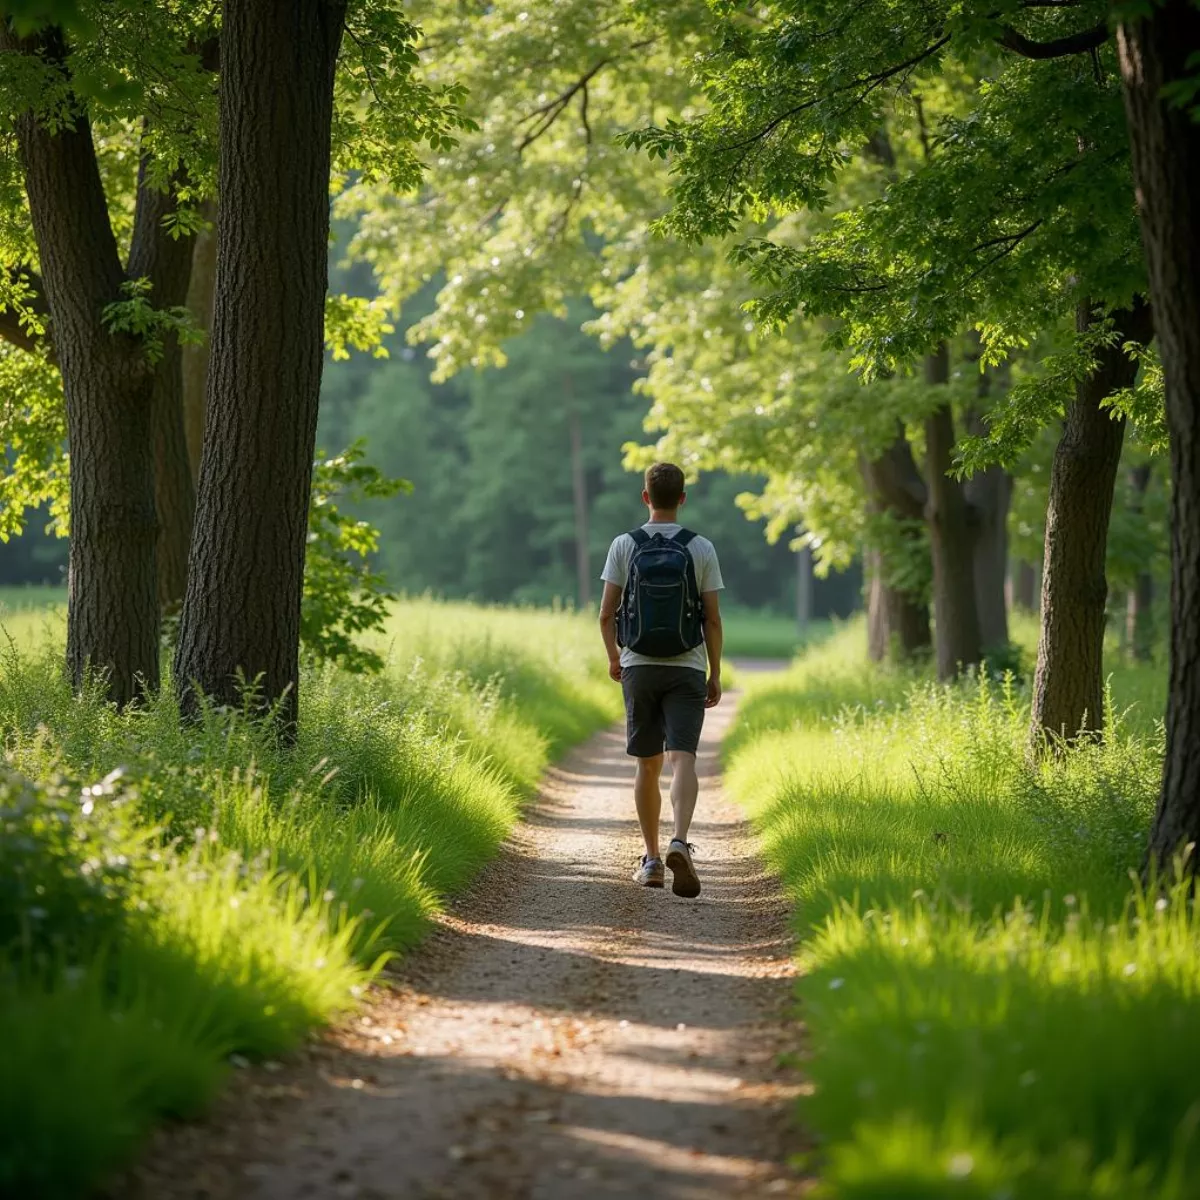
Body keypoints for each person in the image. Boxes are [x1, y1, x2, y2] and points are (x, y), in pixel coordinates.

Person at [598, 462, 724, 897]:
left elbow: (605, 614)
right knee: (683, 758)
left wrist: (616, 657)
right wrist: (715, 671)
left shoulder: (624, 545)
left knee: (646, 764)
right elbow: (712, 618)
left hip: (639, 665)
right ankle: (679, 841)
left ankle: (651, 860)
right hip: (687, 666)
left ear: (645, 496)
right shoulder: (701, 547)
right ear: (683, 498)